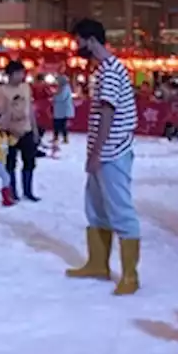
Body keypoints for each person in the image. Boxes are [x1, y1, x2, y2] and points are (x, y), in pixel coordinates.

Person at [65, 19, 141, 296]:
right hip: (105, 151)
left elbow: (107, 114)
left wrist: (96, 153)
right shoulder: (105, 69)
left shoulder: (110, 71)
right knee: (96, 209)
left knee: (121, 210)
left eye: (79, 41)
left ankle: (130, 275)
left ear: (91, 40)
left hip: (113, 152)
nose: (77, 47)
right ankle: (98, 263)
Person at [0, 61, 41, 202]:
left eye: (22, 73)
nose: (21, 76)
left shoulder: (26, 88)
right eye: (18, 73)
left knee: (29, 162)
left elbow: (30, 109)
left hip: (26, 130)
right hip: (9, 132)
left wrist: (35, 129)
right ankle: (12, 191)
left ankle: (28, 191)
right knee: (10, 164)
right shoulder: (1, 91)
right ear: (10, 75)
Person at [52, 74, 75, 145]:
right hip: (59, 110)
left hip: (63, 110)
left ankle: (65, 138)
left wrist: (54, 97)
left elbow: (62, 97)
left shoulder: (65, 88)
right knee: (56, 124)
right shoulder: (61, 88)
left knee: (62, 125)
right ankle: (56, 138)